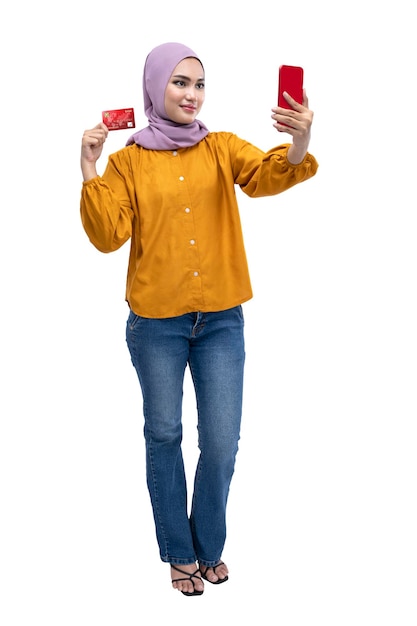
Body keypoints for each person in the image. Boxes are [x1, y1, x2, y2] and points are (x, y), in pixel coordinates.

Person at [80, 41, 318, 596]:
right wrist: (89, 166)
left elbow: (267, 175)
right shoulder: (127, 161)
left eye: (200, 84)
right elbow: (107, 236)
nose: (191, 94)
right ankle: (179, 551)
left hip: (220, 322)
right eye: (180, 82)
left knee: (222, 441)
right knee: (164, 434)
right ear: (155, 86)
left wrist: (300, 139)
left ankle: (209, 543)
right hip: (156, 324)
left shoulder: (221, 147)